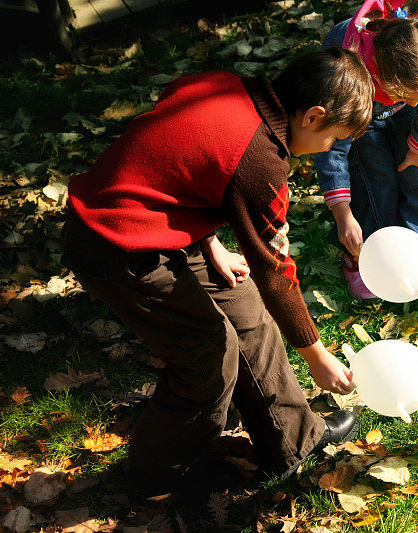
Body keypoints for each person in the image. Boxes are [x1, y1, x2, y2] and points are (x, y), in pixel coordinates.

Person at [62, 47, 374, 499]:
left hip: (168, 228)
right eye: (334, 137)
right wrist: (315, 354)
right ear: (312, 115)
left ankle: (292, 441)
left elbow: (183, 166)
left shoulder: (225, 84)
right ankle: (154, 477)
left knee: (246, 309)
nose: (329, 148)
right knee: (208, 358)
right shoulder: (261, 161)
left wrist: (208, 241)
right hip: (116, 241)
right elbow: (274, 272)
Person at [315, 0, 418, 308]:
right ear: (379, 75)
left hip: (390, 89)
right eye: (402, 96)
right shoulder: (345, 68)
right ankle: (366, 251)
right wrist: (343, 214)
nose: (410, 105)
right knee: (373, 175)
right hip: (358, 108)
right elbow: (332, 146)